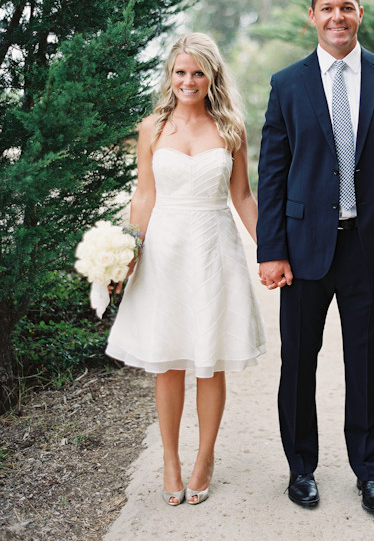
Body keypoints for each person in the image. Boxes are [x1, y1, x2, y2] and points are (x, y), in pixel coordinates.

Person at [257, 0, 374, 516]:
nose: (337, 17)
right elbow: (272, 173)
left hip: (369, 249)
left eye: (346, 7)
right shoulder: (287, 84)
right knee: (298, 364)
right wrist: (271, 250)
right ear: (312, 16)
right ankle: (300, 468)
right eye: (327, 8)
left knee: (366, 365)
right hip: (303, 249)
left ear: (359, 14)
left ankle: (370, 472)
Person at [106, 33, 266, 506]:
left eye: (198, 72)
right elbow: (144, 197)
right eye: (181, 72)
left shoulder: (230, 127)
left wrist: (271, 251)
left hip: (215, 250)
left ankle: (205, 457)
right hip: (165, 252)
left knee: (210, 361)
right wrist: (127, 255)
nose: (188, 81)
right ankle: (171, 460)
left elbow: (243, 197)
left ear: (212, 76)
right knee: (170, 360)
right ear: (170, 76)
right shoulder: (152, 128)